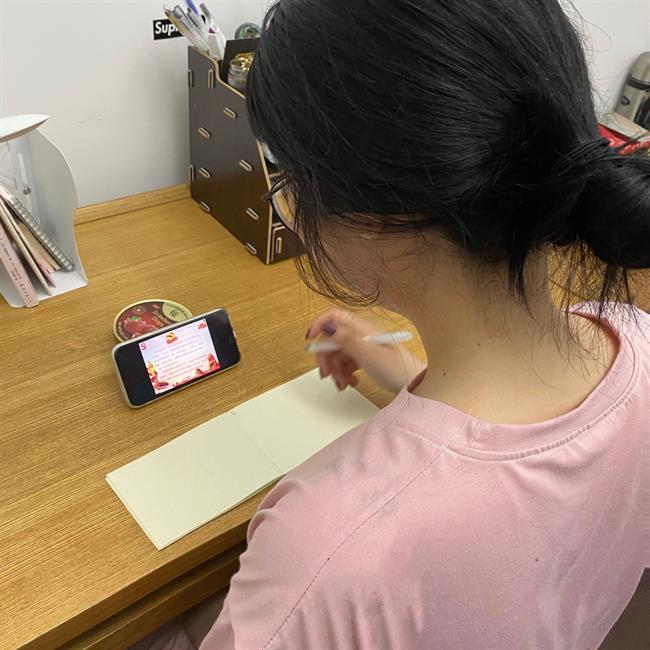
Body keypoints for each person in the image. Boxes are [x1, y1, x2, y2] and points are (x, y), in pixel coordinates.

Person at [136, 1, 650, 648]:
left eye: (288, 177)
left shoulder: (330, 550)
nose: (289, 202)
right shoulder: (633, 336)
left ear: (377, 215)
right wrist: (408, 374)